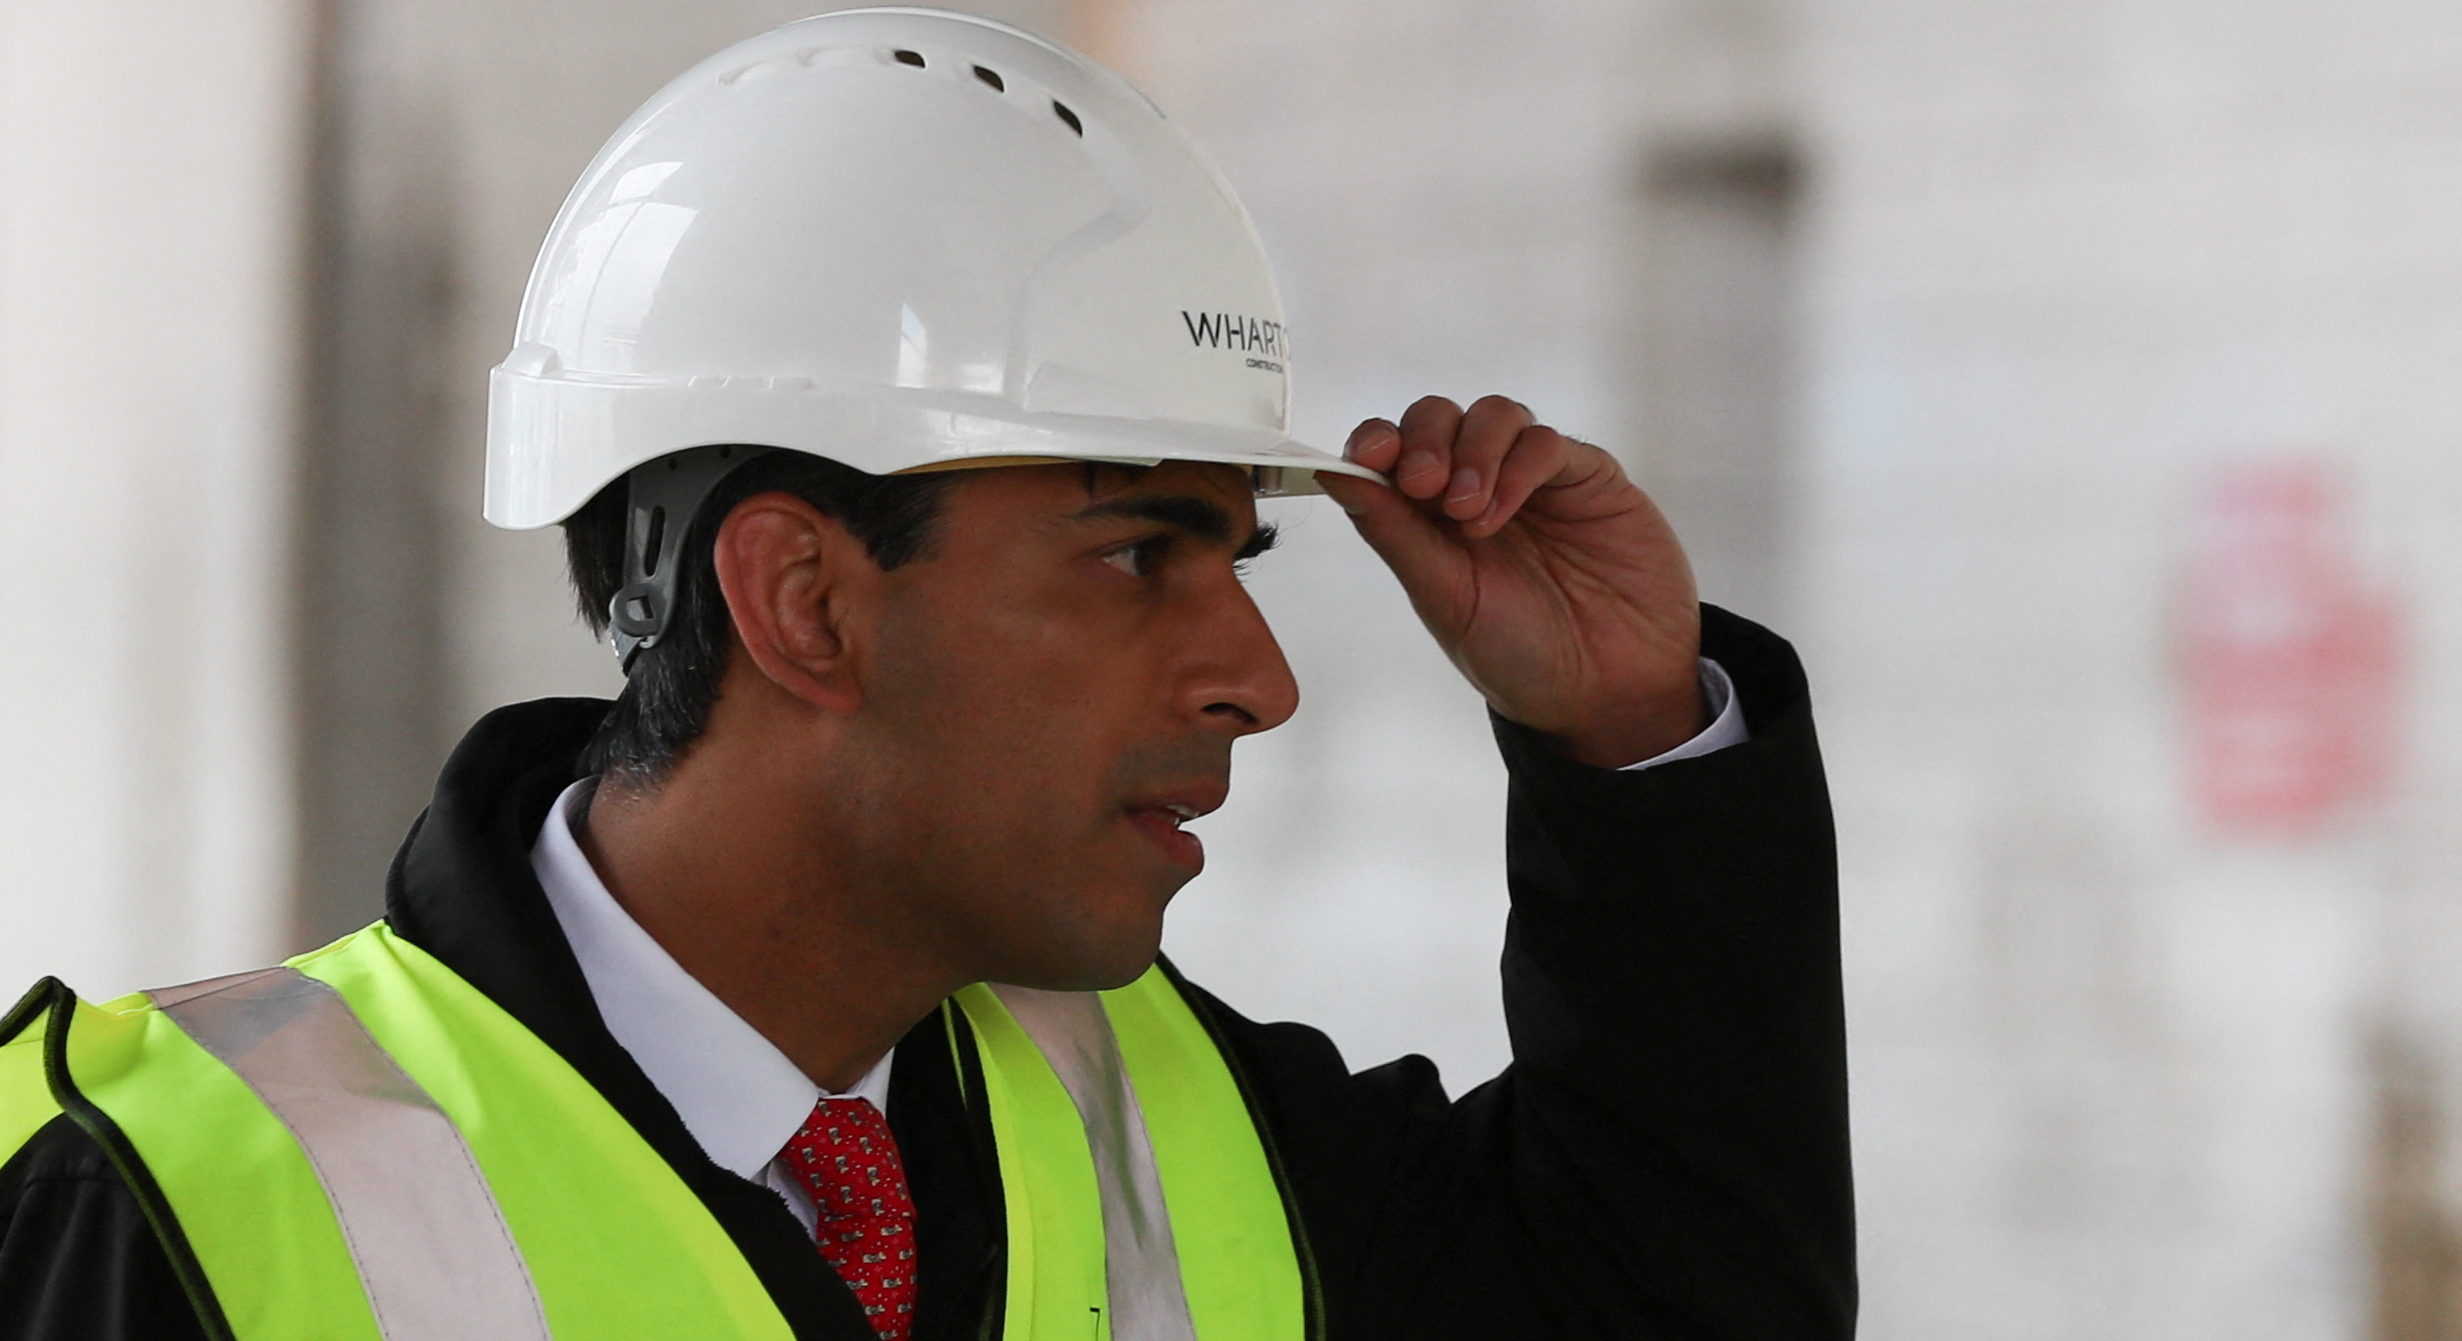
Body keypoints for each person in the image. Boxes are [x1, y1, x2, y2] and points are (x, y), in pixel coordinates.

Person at [0, 9, 1852, 1339]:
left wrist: (1630, 741)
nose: (1256, 680)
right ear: (803, 599)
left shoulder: (1171, 1129)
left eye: (1239, 556)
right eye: (1137, 553)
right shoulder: (160, 1211)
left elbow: (1671, 1298)